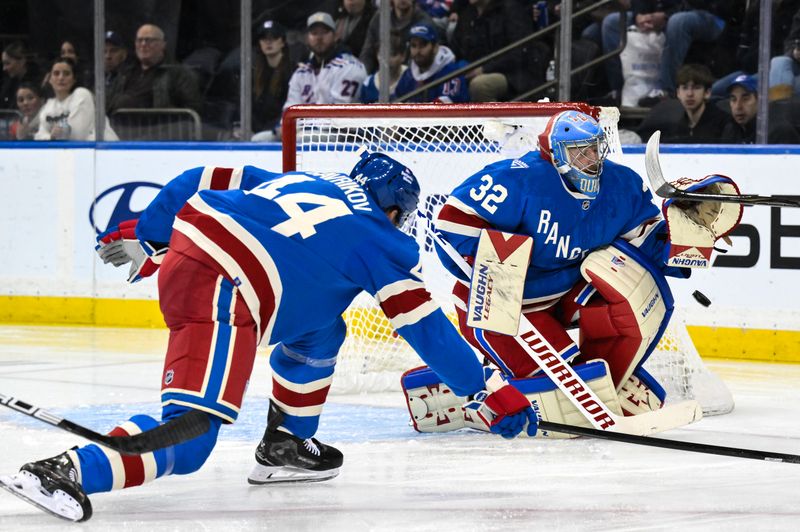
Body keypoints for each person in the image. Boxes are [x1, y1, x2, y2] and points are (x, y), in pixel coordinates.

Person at [0, 153, 537, 522]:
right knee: (190, 438)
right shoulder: (379, 239)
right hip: (224, 288)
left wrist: (152, 237)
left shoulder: (302, 179)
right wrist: (483, 390)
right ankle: (66, 470)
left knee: (324, 330)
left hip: (201, 257)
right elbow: (424, 326)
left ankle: (285, 445)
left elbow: (200, 175)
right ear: (394, 210)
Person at [432, 110, 742, 423]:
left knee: (630, 286)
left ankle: (593, 375)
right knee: (559, 378)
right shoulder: (519, 179)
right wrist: (499, 268)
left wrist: (687, 236)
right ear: (555, 154)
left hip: (564, 295)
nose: (591, 158)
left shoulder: (621, 185)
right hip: (500, 305)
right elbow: (452, 223)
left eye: (595, 148)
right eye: (580, 151)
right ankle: (487, 381)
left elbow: (646, 245)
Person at [448, 0, 535, 102]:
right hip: (472, 69)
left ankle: (495, 118)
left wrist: (484, 69)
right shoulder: (467, 13)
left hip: (512, 74)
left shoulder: (511, 9)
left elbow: (519, 53)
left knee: (480, 85)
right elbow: (455, 48)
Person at [106, 23, 202, 114]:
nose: (143, 44)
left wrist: (157, 114)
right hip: (119, 127)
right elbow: (108, 99)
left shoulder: (178, 73)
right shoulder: (125, 72)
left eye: (149, 40)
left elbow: (192, 110)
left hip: (158, 128)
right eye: (139, 40)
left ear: (163, 44)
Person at [283, 12, 367, 108]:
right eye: (314, 33)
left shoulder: (351, 67)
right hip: (307, 122)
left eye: (324, 32)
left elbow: (338, 113)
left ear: (336, 36)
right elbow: (290, 111)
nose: (319, 38)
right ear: (307, 39)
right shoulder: (300, 73)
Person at [638, 63, 731, 143]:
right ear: (678, 93)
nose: (689, 94)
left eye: (696, 87)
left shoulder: (724, 125)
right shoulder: (678, 127)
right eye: (685, 88)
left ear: (707, 93)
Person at [34, 57, 118, 141]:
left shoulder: (82, 94)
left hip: (106, 150)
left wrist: (54, 135)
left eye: (66, 73)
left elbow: (77, 135)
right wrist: (51, 137)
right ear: (50, 79)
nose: (61, 78)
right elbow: (39, 136)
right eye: (56, 73)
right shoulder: (49, 105)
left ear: (74, 79)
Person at [394, 23, 469, 103]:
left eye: (423, 45)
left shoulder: (451, 73)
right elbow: (395, 100)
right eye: (413, 45)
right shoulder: (408, 75)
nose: (418, 51)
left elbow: (446, 109)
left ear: (435, 47)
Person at [720, 73, 800, 144]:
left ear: (760, 100)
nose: (738, 106)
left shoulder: (779, 132)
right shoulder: (730, 130)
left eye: (745, 99)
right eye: (733, 99)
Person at [359, 0, 434, 74]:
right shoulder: (379, 18)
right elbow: (367, 54)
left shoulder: (424, 24)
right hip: (380, 76)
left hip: (411, 78)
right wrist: (363, 75)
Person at [251, 20, 292, 139]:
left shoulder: (293, 72)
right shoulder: (254, 72)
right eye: (264, 38)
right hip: (255, 132)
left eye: (273, 37)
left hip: (280, 131)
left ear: (283, 42)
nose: (268, 42)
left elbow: (289, 106)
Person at [359, 32, 407, 103]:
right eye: (382, 54)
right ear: (377, 54)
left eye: (392, 54)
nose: (387, 60)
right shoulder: (368, 84)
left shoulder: (412, 78)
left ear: (403, 56)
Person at [0, 41, 41, 109]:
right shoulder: (8, 82)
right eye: (3, 64)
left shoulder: (36, 81)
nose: (4, 68)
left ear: (22, 61)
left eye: (7, 63)